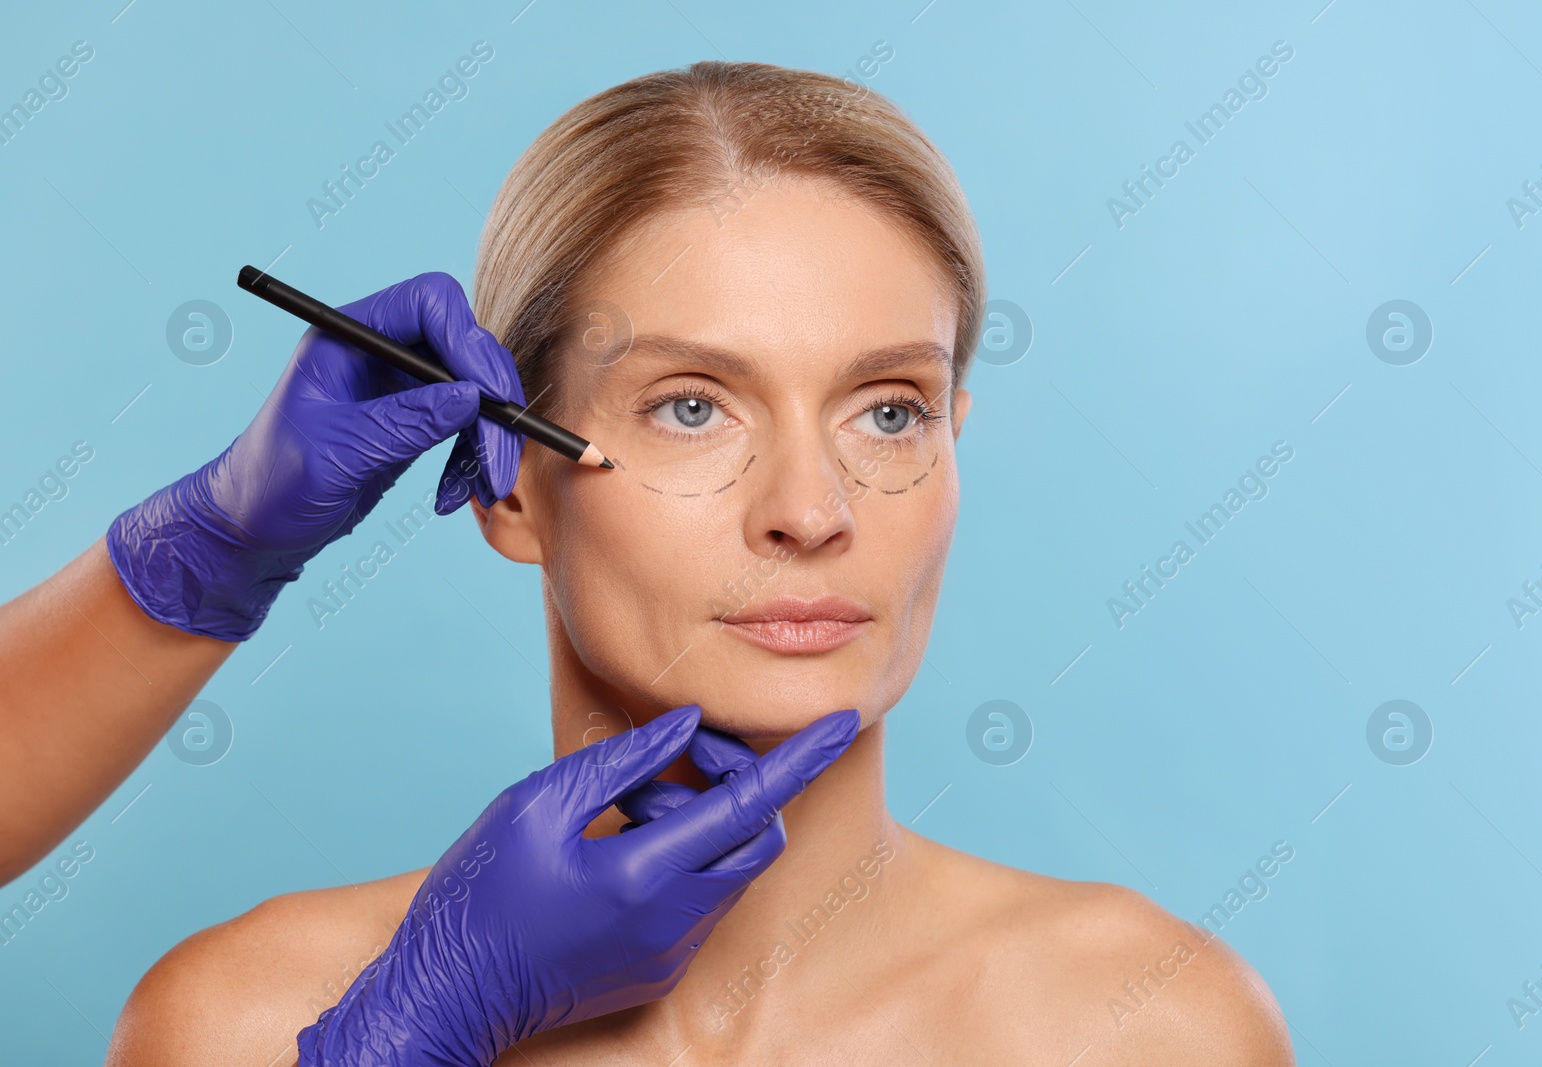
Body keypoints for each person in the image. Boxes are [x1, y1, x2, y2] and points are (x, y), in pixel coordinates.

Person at [108, 60, 1296, 1064]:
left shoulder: (1148, 1022)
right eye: (690, 407)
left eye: (887, 412)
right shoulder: (246, 1020)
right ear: (510, 481)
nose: (809, 510)